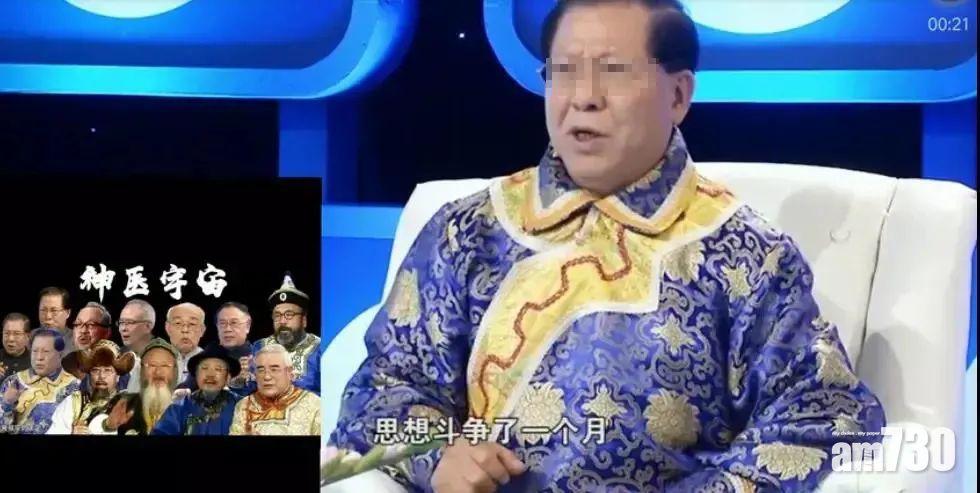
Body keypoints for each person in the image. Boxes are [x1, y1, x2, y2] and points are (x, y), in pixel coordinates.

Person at [328, 1, 886, 491]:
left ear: (678, 95)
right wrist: (438, 458)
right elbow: (385, 388)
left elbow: (825, 415)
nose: (583, 98)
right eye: (564, 72)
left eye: (613, 72)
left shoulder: (747, 255)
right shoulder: (467, 230)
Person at [88, 338, 180, 435]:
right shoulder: (123, 402)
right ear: (141, 372)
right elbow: (91, 428)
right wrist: (107, 426)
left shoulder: (186, 407)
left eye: (165, 366)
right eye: (151, 365)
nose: (158, 372)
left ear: (175, 372)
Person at [252, 273, 322, 394]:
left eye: (289, 315)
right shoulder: (260, 347)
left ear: (304, 320)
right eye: (277, 315)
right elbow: (248, 391)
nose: (282, 321)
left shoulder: (320, 349)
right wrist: (242, 382)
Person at [0, 329, 80, 434]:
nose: (39, 357)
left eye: (46, 351)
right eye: (35, 351)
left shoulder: (74, 387)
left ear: (60, 355)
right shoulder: (13, 382)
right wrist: (7, 404)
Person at [230, 343, 320, 436]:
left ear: (290, 373)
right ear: (255, 375)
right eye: (261, 370)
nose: (267, 376)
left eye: (274, 370)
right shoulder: (243, 405)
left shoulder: (314, 404)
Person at [47, 340, 134, 434]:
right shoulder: (73, 403)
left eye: (108, 370)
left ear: (118, 376)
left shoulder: (129, 406)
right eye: (95, 370)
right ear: (89, 374)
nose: (101, 376)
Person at [152, 344, 241, 435]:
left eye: (218, 369)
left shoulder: (241, 406)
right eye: (204, 368)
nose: (210, 374)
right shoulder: (179, 408)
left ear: (228, 377)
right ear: (196, 375)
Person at [117, 299, 157, 393]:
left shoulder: (167, 358)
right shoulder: (115, 358)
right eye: (121, 323)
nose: (123, 328)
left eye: (129, 322)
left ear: (148, 326)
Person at [163, 303, 205, 385]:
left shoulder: (213, 362)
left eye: (192, 324)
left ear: (202, 330)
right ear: (167, 328)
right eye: (178, 323)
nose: (185, 330)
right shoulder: (151, 362)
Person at [38, 286, 74, 356]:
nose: (48, 316)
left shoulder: (78, 343)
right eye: (43, 310)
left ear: (67, 313)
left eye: (54, 311)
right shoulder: (28, 340)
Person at [0, 313, 31, 379]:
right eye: (7, 333)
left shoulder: (36, 361)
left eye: (17, 334)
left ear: (27, 336)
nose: (10, 339)